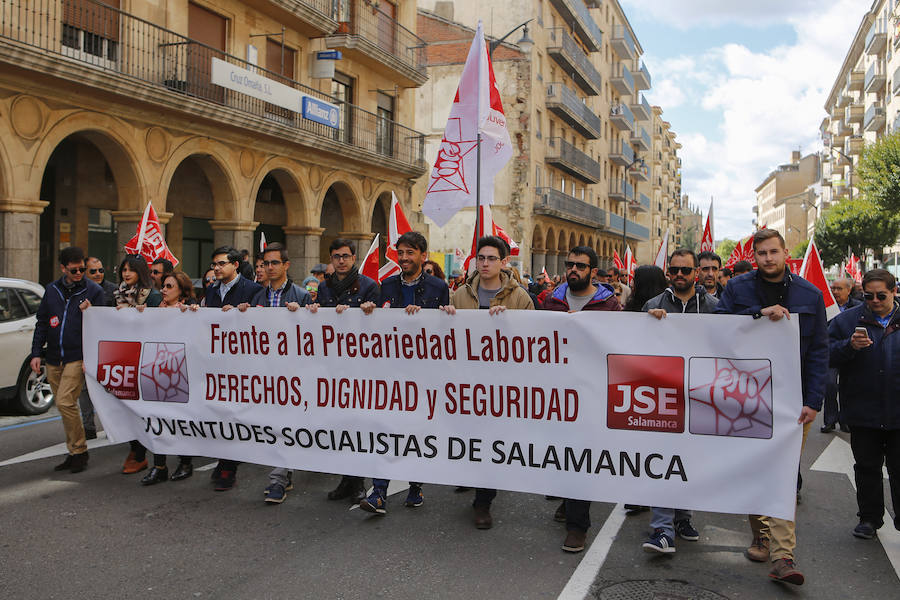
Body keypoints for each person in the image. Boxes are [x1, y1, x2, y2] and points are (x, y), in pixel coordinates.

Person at [715, 228, 827, 586]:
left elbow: (819, 352)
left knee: (781, 473)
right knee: (755, 469)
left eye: (773, 252)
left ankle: (782, 555)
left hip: (793, 403)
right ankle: (761, 534)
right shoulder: (737, 289)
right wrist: (757, 314)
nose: (767, 259)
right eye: (761, 253)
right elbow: (718, 328)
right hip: (747, 396)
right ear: (756, 255)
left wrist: (813, 401)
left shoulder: (810, 296)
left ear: (785, 253)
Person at [441, 236, 533, 530]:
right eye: (481, 258)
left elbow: (534, 340)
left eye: (491, 258)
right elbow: (445, 338)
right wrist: (445, 318)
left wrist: (510, 324)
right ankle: (473, 479)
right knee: (469, 438)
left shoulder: (519, 298)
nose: (484, 263)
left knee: (491, 442)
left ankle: (483, 501)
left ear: (504, 262)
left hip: (501, 386)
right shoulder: (460, 295)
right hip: (466, 383)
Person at [358, 231, 449, 515]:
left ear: (423, 255)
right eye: (401, 252)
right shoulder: (385, 286)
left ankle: (415, 485)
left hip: (423, 375)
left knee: (415, 433)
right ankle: (379, 494)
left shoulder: (437, 287)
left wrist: (430, 316)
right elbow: (374, 325)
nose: (405, 258)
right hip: (390, 374)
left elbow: (443, 329)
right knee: (385, 430)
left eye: (411, 253)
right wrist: (369, 311)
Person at [542, 245, 620, 552]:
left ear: (593, 272)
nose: (573, 269)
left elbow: (617, 342)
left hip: (591, 391)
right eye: (570, 264)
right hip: (557, 390)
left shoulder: (608, 304)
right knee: (561, 454)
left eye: (580, 265)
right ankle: (567, 500)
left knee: (580, 456)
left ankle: (578, 526)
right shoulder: (552, 300)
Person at [640, 249, 716, 554]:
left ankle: (683, 516)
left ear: (696, 273)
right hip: (662, 395)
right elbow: (634, 345)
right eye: (675, 270)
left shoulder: (713, 307)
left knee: (690, 459)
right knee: (663, 459)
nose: (680, 275)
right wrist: (649, 323)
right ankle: (662, 527)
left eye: (686, 270)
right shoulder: (652, 305)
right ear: (668, 272)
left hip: (699, 393)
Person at [229, 243, 312, 503]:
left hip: (292, 372)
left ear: (286, 265)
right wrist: (242, 314)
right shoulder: (258, 297)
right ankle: (283, 473)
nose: (269, 267)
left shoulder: (301, 296)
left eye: (275, 263)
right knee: (272, 425)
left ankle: (277, 479)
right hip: (265, 373)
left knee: (285, 425)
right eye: (266, 263)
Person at [828, 269, 900, 540]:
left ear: (894, 292)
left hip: (897, 411)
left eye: (881, 295)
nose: (875, 301)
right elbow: (825, 355)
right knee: (867, 467)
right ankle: (869, 518)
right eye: (868, 296)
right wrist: (850, 346)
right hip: (862, 410)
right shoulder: (847, 321)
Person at [312, 238, 380, 503]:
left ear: (354, 258)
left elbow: (378, 327)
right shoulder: (324, 287)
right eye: (336, 256)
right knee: (339, 426)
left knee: (358, 425)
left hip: (361, 367)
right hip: (333, 367)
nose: (341, 260)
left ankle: (359, 482)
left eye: (346, 256)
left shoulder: (369, 286)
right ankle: (346, 480)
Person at [30, 246, 105, 474]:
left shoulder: (93, 291)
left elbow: (103, 325)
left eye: (82, 269)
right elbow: (42, 321)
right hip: (53, 357)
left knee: (64, 402)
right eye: (74, 270)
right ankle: (74, 451)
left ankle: (80, 452)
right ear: (63, 268)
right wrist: (35, 353)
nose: (79, 273)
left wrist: (91, 313)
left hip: (76, 356)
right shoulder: (52, 290)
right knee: (65, 407)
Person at [204, 246, 263, 491]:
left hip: (242, 362)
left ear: (235, 265)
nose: (216, 268)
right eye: (214, 264)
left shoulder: (252, 290)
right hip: (217, 361)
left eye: (221, 264)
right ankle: (224, 458)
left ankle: (229, 465)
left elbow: (261, 323)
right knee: (218, 412)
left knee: (234, 413)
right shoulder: (211, 290)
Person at [140, 271, 196, 485]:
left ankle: (185, 462)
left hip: (180, 372)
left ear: (181, 291)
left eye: (169, 286)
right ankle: (159, 466)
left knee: (180, 420)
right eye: (163, 285)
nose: (163, 289)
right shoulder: (155, 310)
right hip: (156, 370)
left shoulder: (190, 311)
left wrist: (192, 314)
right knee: (157, 420)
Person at [114, 254, 163, 475]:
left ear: (140, 272)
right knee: (125, 407)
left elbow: (157, 326)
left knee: (146, 408)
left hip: (146, 360)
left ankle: (143, 453)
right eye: (124, 270)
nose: (126, 274)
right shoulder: (117, 295)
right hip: (124, 358)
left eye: (131, 270)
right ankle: (136, 448)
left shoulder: (151, 297)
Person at [80, 256, 116, 439]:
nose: (98, 274)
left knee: (110, 387)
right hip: (85, 345)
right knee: (84, 388)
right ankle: (88, 427)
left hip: (108, 348)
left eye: (101, 270)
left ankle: (113, 425)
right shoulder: (79, 291)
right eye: (93, 271)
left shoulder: (113, 290)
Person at [822, 278, 861, 433]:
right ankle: (830, 420)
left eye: (839, 288)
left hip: (851, 352)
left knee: (849, 387)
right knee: (830, 386)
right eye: (833, 288)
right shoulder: (826, 307)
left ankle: (845, 420)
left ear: (849, 290)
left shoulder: (859, 307)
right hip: (831, 352)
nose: (835, 292)